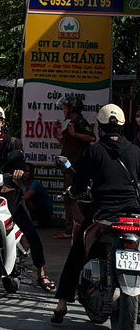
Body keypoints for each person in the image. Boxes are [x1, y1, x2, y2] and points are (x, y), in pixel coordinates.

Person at [51, 104, 140, 324]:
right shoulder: (136, 151)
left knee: (77, 251)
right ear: (122, 126)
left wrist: (74, 191)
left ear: (99, 127)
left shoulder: (94, 151)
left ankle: (62, 303)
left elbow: (80, 183)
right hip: (134, 212)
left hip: (104, 212)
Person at [0, 104, 54, 293]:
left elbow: (20, 165)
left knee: (31, 234)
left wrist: (17, 173)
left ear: (2, 122)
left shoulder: (14, 142)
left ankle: (41, 272)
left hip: (10, 196)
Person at [53, 95, 95, 239]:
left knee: (72, 199)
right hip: (69, 167)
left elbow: (92, 138)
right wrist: (59, 132)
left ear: (72, 109)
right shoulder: (72, 123)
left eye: (65, 107)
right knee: (69, 199)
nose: (63, 110)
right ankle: (71, 229)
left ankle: (71, 230)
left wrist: (75, 134)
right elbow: (67, 144)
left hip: (76, 169)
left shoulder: (80, 122)